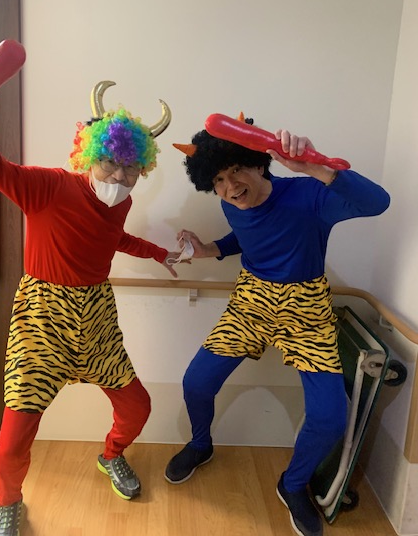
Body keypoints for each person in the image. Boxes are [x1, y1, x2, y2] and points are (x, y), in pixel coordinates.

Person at [0, 79, 182, 536]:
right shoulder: (49, 186)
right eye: (111, 163)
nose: (119, 177)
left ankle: (111, 455)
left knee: (138, 407)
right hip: (41, 321)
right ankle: (7, 502)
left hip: (97, 320)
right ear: (89, 155)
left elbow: (111, 237)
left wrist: (157, 253)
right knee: (10, 443)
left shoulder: (121, 203)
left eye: (131, 168)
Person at [166, 118, 390, 536]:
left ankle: (293, 484)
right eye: (218, 180)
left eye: (236, 170)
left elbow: (378, 202)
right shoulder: (231, 203)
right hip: (250, 305)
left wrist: (316, 167)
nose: (229, 186)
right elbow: (246, 235)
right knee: (196, 382)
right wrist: (209, 249)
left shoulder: (309, 194)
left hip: (307, 314)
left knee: (329, 418)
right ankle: (200, 444)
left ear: (259, 163)